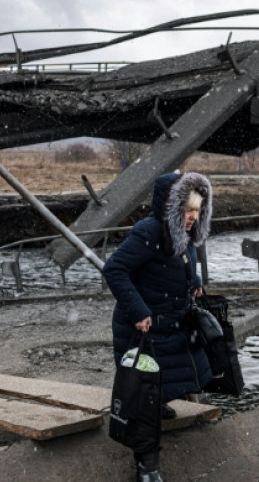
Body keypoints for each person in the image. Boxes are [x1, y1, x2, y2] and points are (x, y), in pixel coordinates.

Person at [103, 171, 214, 482]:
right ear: (172, 208)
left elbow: (186, 259)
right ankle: (146, 467)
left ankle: (160, 402)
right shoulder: (148, 232)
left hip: (169, 323)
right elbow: (114, 269)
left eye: (197, 210)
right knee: (142, 392)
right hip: (141, 327)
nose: (193, 216)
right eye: (188, 210)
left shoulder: (183, 233)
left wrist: (195, 282)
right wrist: (138, 310)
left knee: (168, 379)